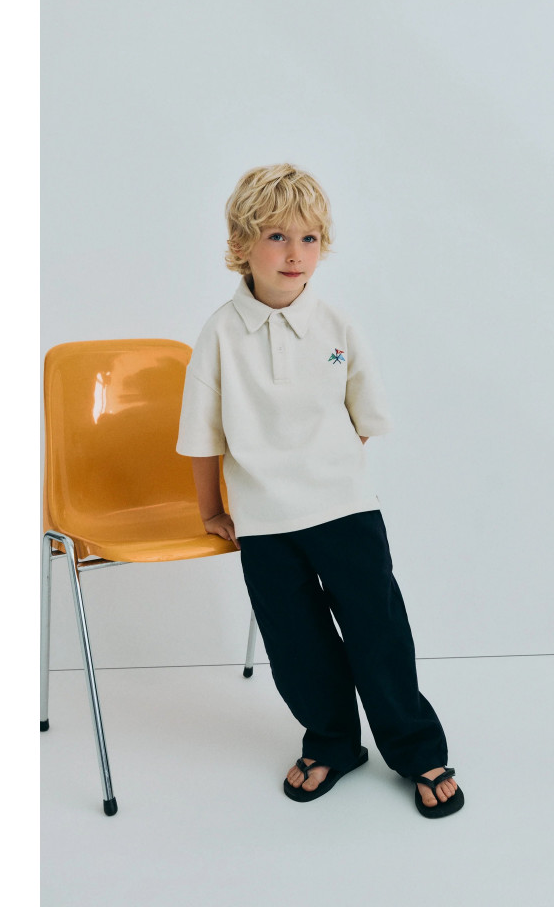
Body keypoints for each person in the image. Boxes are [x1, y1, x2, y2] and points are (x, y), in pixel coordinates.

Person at [176, 163, 464, 819]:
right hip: (264, 521)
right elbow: (202, 434)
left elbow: (359, 411)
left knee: (377, 632)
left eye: (309, 239)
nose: (295, 254)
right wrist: (213, 509)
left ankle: (416, 748)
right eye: (277, 236)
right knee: (296, 643)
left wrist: (326, 468)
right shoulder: (220, 334)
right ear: (241, 244)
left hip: (344, 509)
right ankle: (333, 742)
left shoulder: (336, 328)